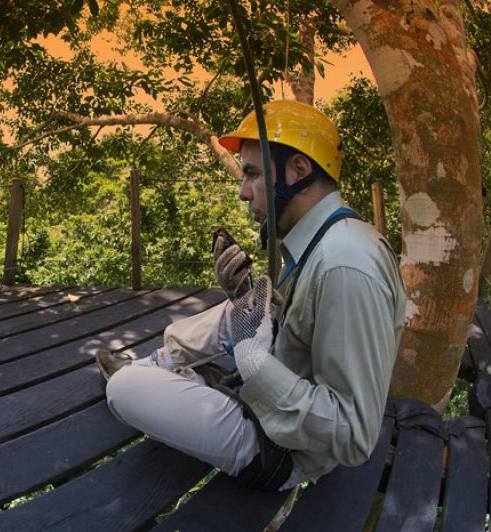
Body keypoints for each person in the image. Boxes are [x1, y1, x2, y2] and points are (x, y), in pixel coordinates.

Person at [95, 100, 407, 491]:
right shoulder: (325, 239)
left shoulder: (346, 264)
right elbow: (303, 331)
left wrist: (255, 363)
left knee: (124, 390)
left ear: (299, 170)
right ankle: (163, 365)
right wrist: (243, 299)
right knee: (242, 307)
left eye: (253, 174)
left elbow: (352, 433)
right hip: (275, 401)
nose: (244, 193)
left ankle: (166, 376)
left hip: (281, 451)